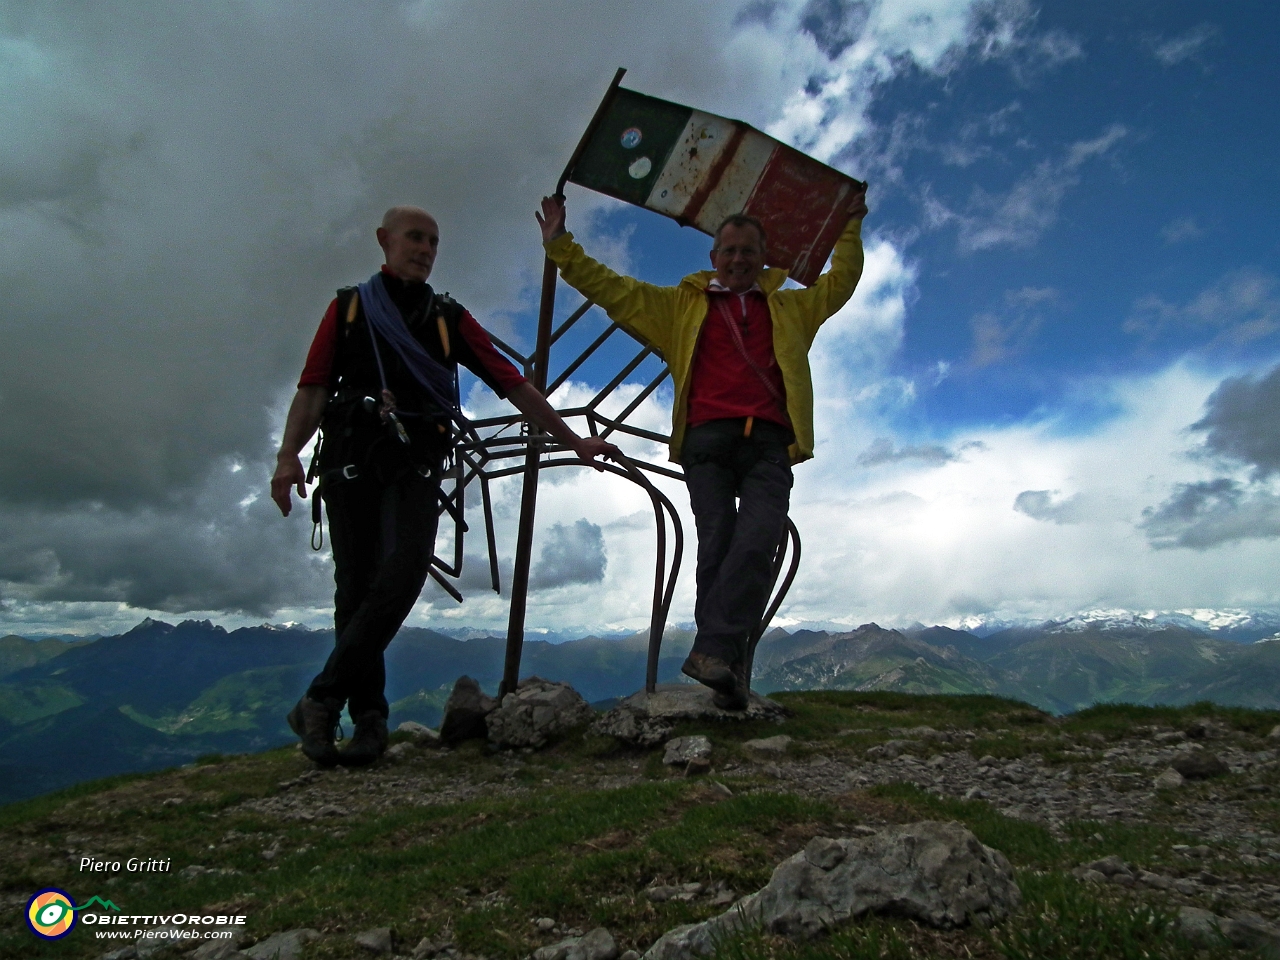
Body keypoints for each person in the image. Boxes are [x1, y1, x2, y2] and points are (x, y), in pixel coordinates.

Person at [272, 205, 617, 766]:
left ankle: (321, 697)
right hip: (349, 457)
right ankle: (369, 722)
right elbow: (312, 388)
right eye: (415, 238)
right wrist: (288, 456)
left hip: (414, 460)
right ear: (384, 241)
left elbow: (512, 385)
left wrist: (572, 439)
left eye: (433, 241)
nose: (425, 249)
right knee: (355, 589)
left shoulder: (447, 318)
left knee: (404, 570)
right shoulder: (348, 308)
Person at [535, 188, 867, 709]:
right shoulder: (679, 307)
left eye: (748, 251)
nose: (738, 259)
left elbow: (841, 282)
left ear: (763, 260)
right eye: (729, 251)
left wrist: (849, 226)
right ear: (714, 258)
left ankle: (714, 653)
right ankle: (726, 672)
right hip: (706, 441)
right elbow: (611, 289)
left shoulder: (791, 308)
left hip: (769, 443)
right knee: (716, 544)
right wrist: (560, 245)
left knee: (758, 540)